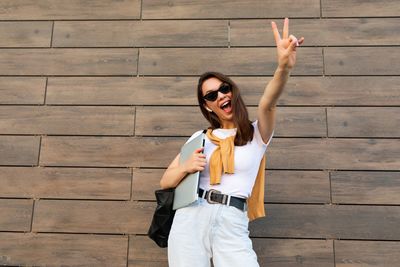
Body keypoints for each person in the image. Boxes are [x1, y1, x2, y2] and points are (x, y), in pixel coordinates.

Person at [159, 18, 304, 267]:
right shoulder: (200, 138)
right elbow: (165, 181)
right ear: (208, 105)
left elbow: (268, 102)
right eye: (211, 95)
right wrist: (185, 167)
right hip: (191, 216)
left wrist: (283, 69)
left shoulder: (257, 134)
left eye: (224, 88)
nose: (221, 95)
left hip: (232, 218)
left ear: (232, 91)